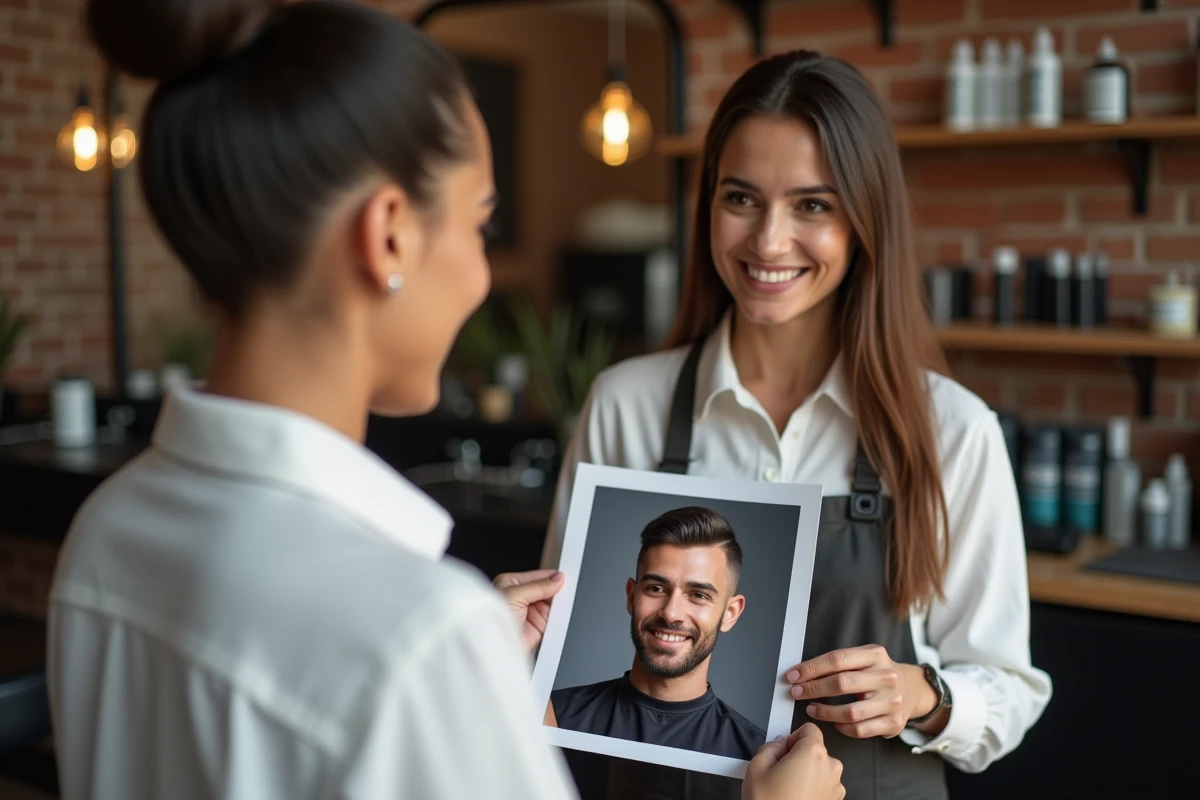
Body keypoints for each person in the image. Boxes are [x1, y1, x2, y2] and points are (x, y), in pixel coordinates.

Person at [45, 2, 845, 799]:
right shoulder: (420, 635)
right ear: (389, 235)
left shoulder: (103, 531)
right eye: (481, 226)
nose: (482, 274)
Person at [542, 50, 1053, 800]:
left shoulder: (952, 429)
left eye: (813, 205)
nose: (768, 242)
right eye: (741, 198)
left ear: (865, 219)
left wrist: (923, 696)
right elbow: (552, 655)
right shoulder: (625, 404)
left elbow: (1010, 686)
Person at [548, 506, 765, 760]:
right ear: (631, 596)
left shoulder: (756, 755)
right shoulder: (551, 714)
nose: (671, 613)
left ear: (730, 613)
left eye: (698, 595)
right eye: (656, 588)